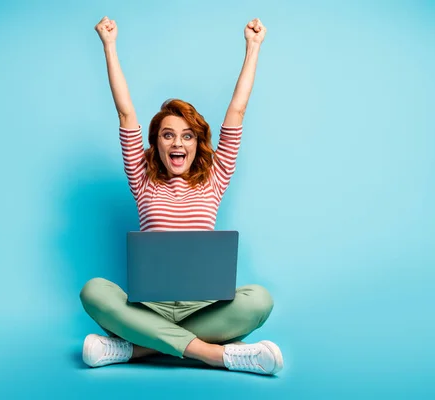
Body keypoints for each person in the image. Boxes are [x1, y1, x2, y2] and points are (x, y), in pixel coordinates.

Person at [79, 16, 284, 376]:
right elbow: (126, 113)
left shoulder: (215, 177)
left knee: (259, 301)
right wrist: (109, 47)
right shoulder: (142, 178)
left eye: (188, 136)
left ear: (197, 143)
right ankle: (217, 355)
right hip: (148, 308)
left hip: (203, 308)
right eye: (168, 135)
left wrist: (253, 48)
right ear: (155, 143)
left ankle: (133, 349)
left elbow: (237, 112)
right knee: (94, 291)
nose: (178, 143)